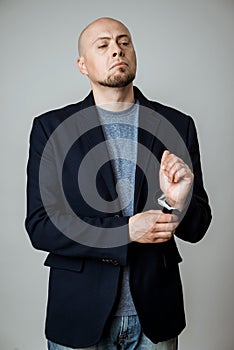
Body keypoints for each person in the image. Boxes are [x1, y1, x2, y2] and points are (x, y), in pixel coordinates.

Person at [25, 17, 212, 350]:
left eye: (124, 42)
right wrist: (123, 232)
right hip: (79, 313)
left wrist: (179, 202)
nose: (116, 50)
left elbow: (196, 228)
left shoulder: (177, 124)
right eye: (103, 45)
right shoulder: (51, 128)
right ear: (82, 65)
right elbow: (41, 226)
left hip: (155, 316)